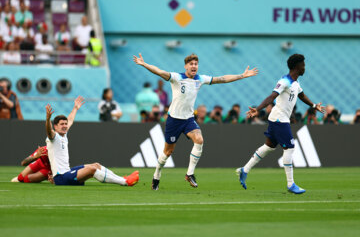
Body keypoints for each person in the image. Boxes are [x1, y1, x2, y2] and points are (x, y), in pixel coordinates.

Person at [133, 53, 258, 190]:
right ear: (186, 66)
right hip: (174, 120)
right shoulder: (177, 77)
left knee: (199, 139)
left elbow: (222, 79)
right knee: (167, 153)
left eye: (196, 64)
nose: (194, 66)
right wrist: (144, 64)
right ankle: (157, 175)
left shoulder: (200, 79)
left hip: (188, 119)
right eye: (191, 64)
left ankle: (190, 174)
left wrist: (242, 75)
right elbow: (159, 71)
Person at [237, 54, 325, 194]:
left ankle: (244, 169)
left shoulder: (295, 83)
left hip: (278, 119)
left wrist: (314, 105)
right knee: (289, 147)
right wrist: (258, 109)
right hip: (279, 119)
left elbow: (301, 96)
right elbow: (271, 96)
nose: (304, 67)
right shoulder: (284, 81)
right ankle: (291, 184)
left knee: (269, 147)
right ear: (297, 66)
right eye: (303, 65)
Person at [45, 96, 139, 186]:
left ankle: (122, 178)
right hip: (61, 177)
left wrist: (75, 108)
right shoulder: (54, 137)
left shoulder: (63, 135)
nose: (65, 126)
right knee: (92, 169)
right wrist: (48, 119)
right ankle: (125, 182)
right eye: (62, 124)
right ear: (55, 126)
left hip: (67, 173)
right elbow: (49, 131)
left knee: (96, 165)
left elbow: (70, 120)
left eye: (65, 124)